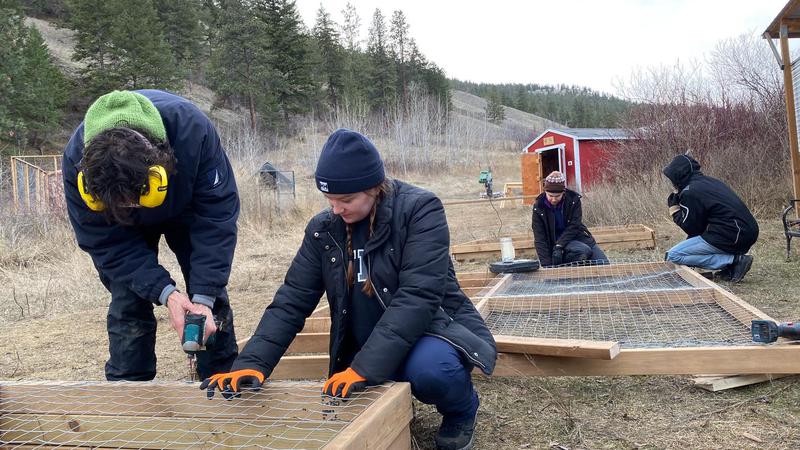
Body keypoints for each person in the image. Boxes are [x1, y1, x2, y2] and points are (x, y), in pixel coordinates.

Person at [201, 129, 496, 450]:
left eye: (346, 200)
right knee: (348, 395)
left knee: (433, 371)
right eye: (329, 200)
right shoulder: (323, 230)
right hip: (366, 341)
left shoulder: (419, 211)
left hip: (428, 332)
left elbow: (418, 297)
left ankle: (461, 410)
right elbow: (292, 300)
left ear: (374, 188)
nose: (336, 209)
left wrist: (363, 369)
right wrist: (252, 362)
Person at [63, 90, 240, 381]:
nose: (133, 207)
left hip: (187, 204)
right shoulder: (76, 163)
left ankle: (222, 379)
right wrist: (167, 294)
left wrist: (203, 298)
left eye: (136, 200)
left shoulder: (192, 132)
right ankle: (129, 391)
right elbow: (106, 244)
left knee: (209, 296)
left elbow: (216, 221)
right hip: (115, 222)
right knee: (128, 300)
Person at [663, 154, 758, 282]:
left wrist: (674, 210)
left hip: (732, 233)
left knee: (672, 256)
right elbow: (701, 226)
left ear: (678, 176)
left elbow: (691, 228)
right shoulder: (710, 182)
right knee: (690, 246)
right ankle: (730, 265)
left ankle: (734, 261)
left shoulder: (690, 191)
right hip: (744, 232)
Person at [531, 171, 608, 267]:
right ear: (545, 192)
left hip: (575, 237)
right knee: (582, 251)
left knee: (603, 264)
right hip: (554, 242)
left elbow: (574, 225)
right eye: (550, 196)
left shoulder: (573, 200)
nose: (553, 199)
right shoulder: (538, 207)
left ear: (563, 193)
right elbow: (540, 238)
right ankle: (564, 266)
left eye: (557, 196)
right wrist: (547, 265)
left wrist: (560, 245)